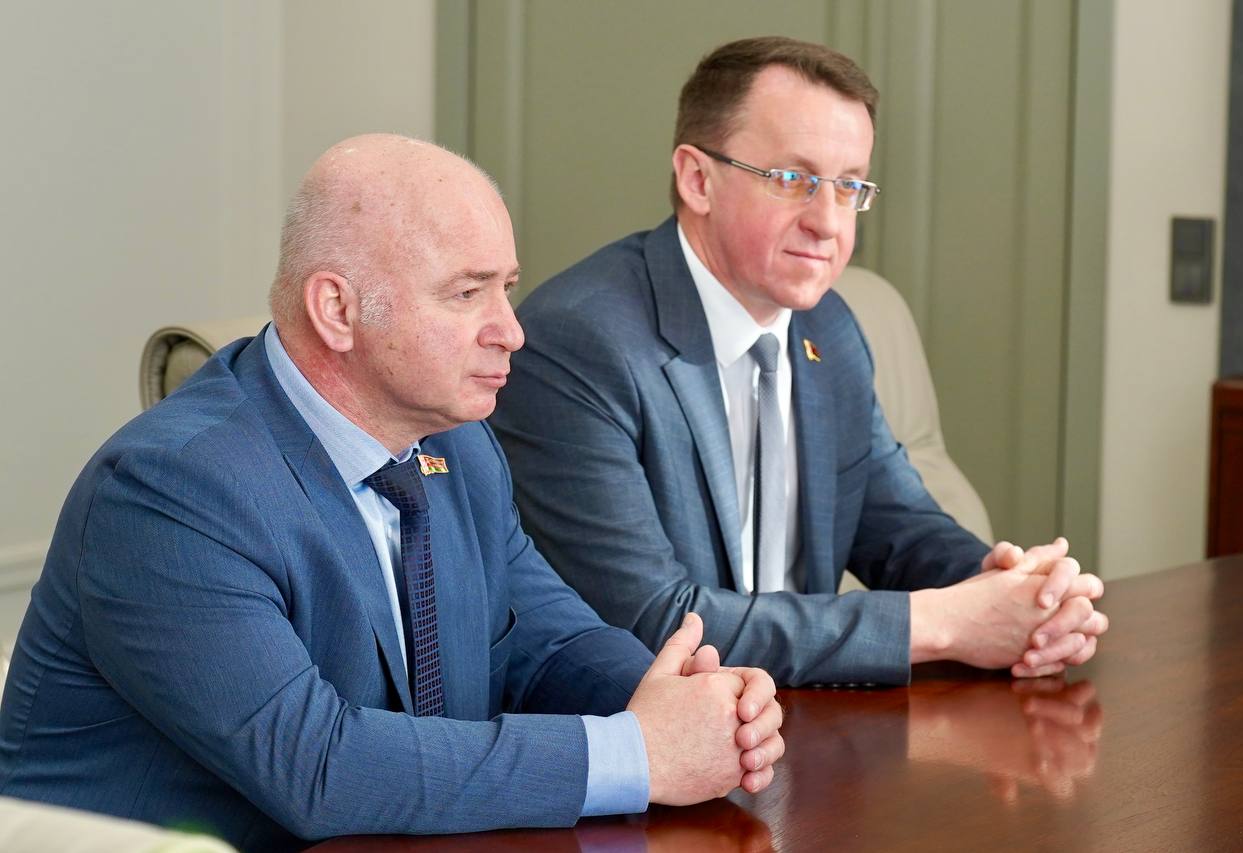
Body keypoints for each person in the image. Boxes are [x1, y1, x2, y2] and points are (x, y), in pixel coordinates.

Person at [0, 135, 783, 852]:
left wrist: (691, 701)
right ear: (337, 310)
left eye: (507, 288)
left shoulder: (457, 443)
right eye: (467, 293)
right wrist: (636, 753)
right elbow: (320, 768)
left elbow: (547, 640)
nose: (511, 330)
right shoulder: (170, 491)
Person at [490, 36, 1108, 687]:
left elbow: (896, 527)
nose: (829, 223)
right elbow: (651, 623)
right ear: (697, 180)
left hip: (809, 715)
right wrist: (941, 623)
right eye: (793, 180)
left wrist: (1018, 593)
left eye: (849, 186)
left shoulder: (829, 327)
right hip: (651, 732)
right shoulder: (581, 342)